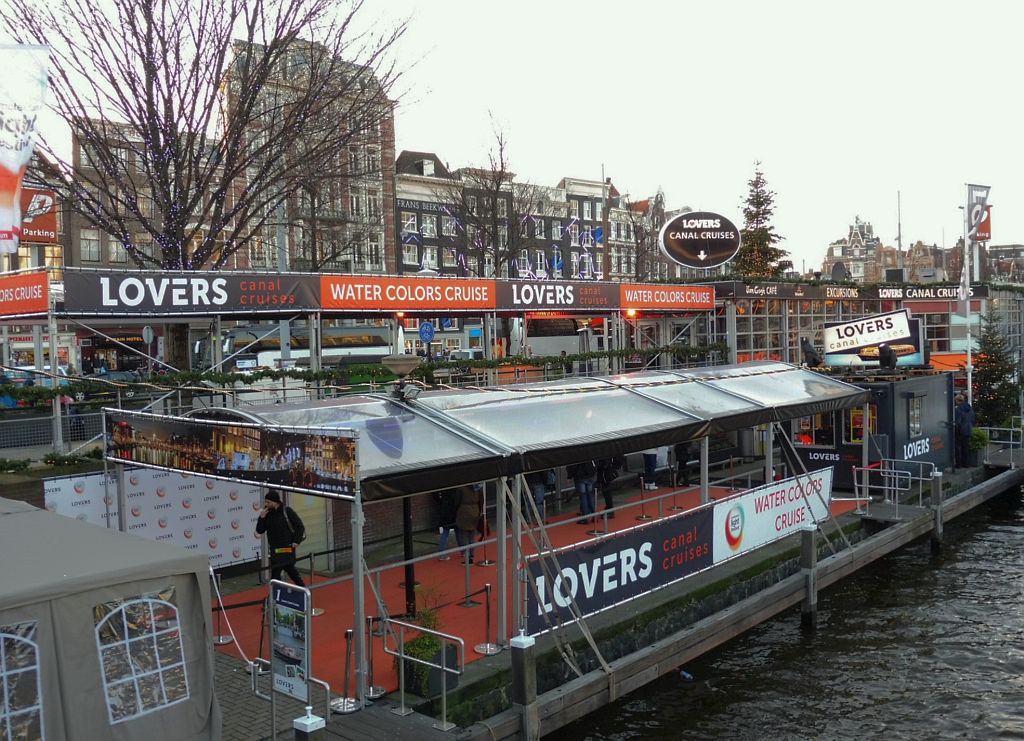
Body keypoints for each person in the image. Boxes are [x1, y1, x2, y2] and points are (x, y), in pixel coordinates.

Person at [255, 491, 306, 586]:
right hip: (275, 549)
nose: (266, 504)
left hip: (287, 548)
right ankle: (299, 590)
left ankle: (301, 590)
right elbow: (260, 530)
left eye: (268, 502)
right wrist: (261, 518)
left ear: (275, 502)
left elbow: (299, 526)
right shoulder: (267, 514)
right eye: (265, 502)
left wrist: (296, 541)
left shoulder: (287, 511)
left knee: (287, 571)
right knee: (282, 572)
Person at [454, 484, 482, 564]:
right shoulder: (478, 488)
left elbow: (456, 502)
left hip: (464, 511)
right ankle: (472, 555)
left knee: (463, 535)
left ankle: (466, 556)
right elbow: (481, 500)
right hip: (475, 511)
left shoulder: (461, 488)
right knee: (472, 535)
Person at [433, 488, 459, 560]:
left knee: (445, 532)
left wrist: (440, 502)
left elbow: (435, 494)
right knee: (458, 531)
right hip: (454, 511)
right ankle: (464, 551)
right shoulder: (455, 489)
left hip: (445, 511)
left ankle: (442, 553)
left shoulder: (442, 487)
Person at [567, 458, 597, 523]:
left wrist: (569, 476)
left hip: (580, 475)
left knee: (583, 497)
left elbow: (572, 465)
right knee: (590, 495)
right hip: (589, 474)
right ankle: (594, 514)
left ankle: (585, 516)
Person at [954, 393, 975, 469]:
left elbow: (958, 422)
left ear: (957, 401)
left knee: (958, 448)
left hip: (960, 431)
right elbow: (972, 418)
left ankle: (959, 464)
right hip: (968, 429)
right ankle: (966, 464)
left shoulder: (958, 410)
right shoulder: (969, 408)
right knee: (966, 447)